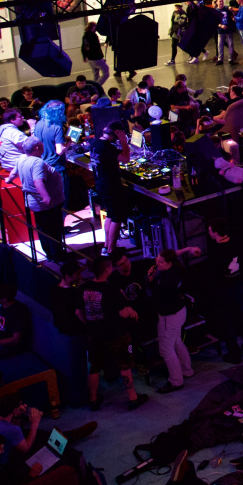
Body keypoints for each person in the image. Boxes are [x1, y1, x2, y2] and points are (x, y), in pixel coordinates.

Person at [79, 256, 147, 411]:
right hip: (116, 335)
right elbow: (123, 313)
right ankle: (133, 398)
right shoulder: (111, 290)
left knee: (94, 367)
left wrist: (92, 324)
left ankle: (93, 399)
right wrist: (132, 312)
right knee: (125, 364)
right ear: (107, 269)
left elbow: (78, 312)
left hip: (94, 335)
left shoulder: (83, 289)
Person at [204, 221, 243, 362]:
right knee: (241, 316)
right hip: (237, 284)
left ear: (216, 232)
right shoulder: (236, 242)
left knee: (226, 322)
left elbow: (212, 274)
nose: (209, 233)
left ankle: (234, 354)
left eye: (210, 231)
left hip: (223, 290)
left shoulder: (216, 250)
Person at [148, 247, 196, 393]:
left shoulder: (166, 280)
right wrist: (188, 249)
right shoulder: (176, 270)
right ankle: (186, 370)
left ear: (169, 263)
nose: (158, 264)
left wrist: (150, 280)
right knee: (176, 341)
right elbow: (175, 254)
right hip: (179, 311)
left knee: (166, 349)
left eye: (161, 262)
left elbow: (155, 296)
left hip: (170, 316)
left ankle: (176, 381)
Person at [13, 138, 65, 259]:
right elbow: (38, 181)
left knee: (43, 229)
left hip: (36, 202)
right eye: (41, 144)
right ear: (37, 148)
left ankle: (51, 255)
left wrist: (9, 179)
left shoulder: (22, 158)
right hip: (47, 204)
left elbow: (13, 173)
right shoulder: (37, 162)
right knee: (52, 230)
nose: (43, 145)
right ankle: (57, 256)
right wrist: (46, 197)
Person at [90, 120, 133, 254]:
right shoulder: (107, 146)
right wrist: (124, 142)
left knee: (110, 214)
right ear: (117, 133)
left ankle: (106, 246)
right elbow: (125, 158)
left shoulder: (95, 142)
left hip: (100, 184)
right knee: (117, 217)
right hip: (111, 185)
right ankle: (112, 249)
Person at [81, 22, 109, 86]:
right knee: (106, 73)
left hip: (89, 58)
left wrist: (84, 57)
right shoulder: (93, 35)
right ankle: (96, 86)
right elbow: (96, 48)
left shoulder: (85, 35)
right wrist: (101, 57)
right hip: (96, 58)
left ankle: (94, 86)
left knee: (95, 74)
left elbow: (83, 47)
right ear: (93, 27)